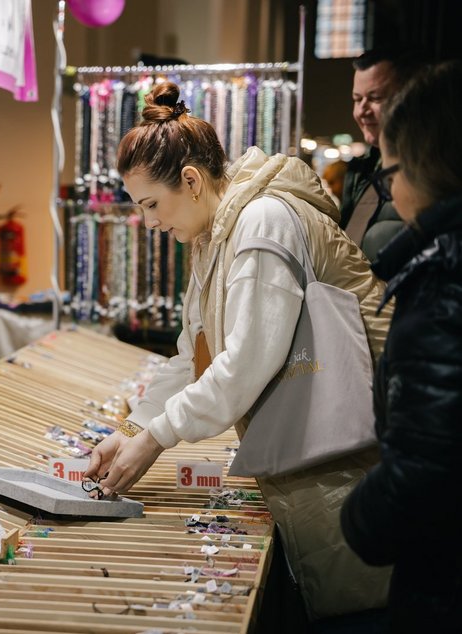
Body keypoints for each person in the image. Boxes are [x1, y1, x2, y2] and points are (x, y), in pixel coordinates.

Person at [83, 82, 393, 622]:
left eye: (152, 204)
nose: (150, 222)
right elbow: (191, 356)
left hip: (353, 463)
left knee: (363, 604)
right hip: (314, 458)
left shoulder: (260, 223)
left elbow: (246, 363)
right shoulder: (212, 237)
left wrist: (157, 437)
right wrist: (132, 431)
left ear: (192, 180)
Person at [342, 61, 462, 630]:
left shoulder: (443, 286)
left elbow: (425, 471)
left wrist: (357, 518)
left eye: (394, 173)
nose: (391, 188)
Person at [340, 49, 421, 262]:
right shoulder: (362, 170)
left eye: (375, 98)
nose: (362, 110)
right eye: (357, 99)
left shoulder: (429, 171)